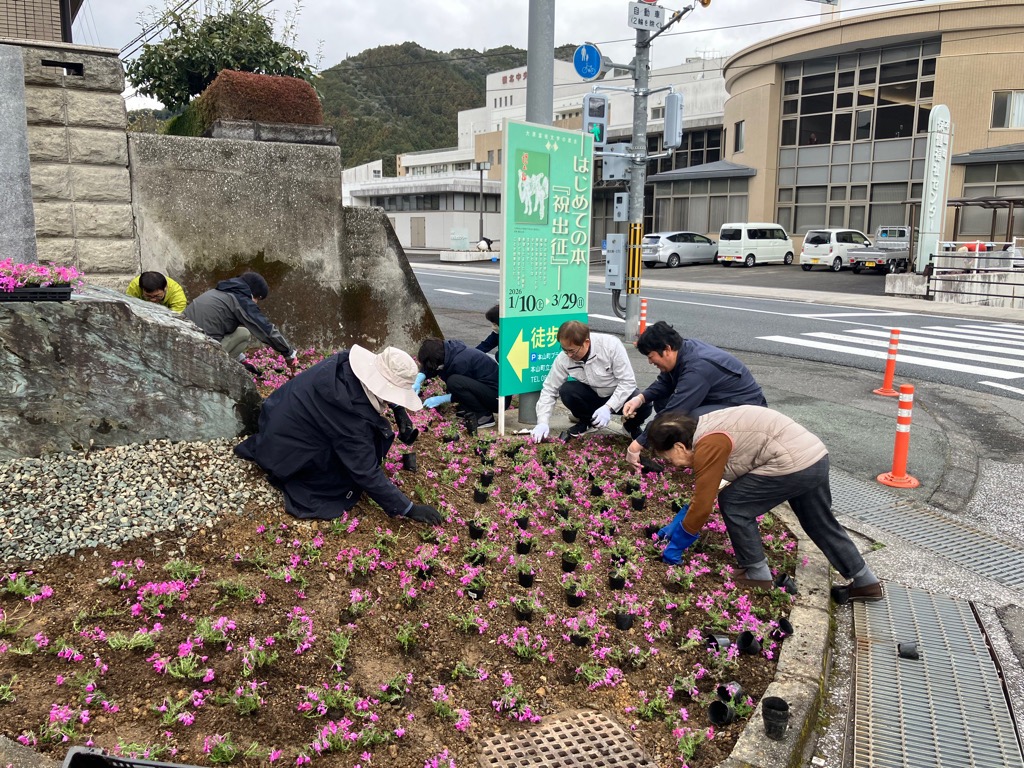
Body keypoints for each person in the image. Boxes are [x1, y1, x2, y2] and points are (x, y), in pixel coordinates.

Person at [646, 407, 883, 603]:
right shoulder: (704, 429)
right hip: (813, 458)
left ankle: (757, 573)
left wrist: (678, 543)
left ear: (679, 446)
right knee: (818, 521)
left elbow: (704, 504)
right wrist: (678, 523)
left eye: (668, 458)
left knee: (735, 503)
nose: (671, 465)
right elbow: (704, 493)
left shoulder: (709, 444)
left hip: (792, 461)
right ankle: (866, 581)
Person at [235, 345, 443, 525]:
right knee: (340, 479)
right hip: (283, 451)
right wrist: (408, 508)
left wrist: (399, 410)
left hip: (275, 420)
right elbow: (365, 471)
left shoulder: (343, 364)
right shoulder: (349, 413)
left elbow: (380, 387)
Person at [622, 320, 766, 469]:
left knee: (693, 418)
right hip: (718, 399)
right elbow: (665, 382)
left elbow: (675, 411)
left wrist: (638, 444)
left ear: (667, 349)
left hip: (746, 408)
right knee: (662, 402)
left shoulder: (698, 367)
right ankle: (679, 444)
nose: (650, 362)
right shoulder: (683, 350)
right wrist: (640, 399)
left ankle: (698, 457)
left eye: (650, 356)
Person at [529, 320, 652, 443]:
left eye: (572, 351)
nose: (569, 355)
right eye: (565, 350)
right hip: (591, 396)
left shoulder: (610, 346)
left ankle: (630, 426)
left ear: (586, 342)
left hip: (618, 396)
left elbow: (627, 382)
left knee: (643, 402)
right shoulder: (563, 359)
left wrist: (609, 407)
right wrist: (542, 422)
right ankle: (587, 422)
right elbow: (550, 389)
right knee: (567, 390)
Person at [184, 272, 297, 371]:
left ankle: (229, 363)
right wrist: (288, 352)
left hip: (183, 343)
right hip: (199, 354)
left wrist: (242, 361)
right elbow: (265, 328)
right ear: (253, 293)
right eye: (257, 299)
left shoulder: (219, 292)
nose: (256, 303)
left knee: (236, 330)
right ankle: (214, 369)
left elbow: (217, 329)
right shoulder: (240, 299)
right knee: (244, 333)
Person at [417, 337, 501, 431]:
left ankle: (484, 416)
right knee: (454, 381)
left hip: (498, 398)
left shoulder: (460, 362)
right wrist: (420, 377)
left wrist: (443, 399)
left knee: (454, 382)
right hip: (487, 389)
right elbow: (435, 367)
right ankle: (470, 409)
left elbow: (463, 389)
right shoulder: (450, 352)